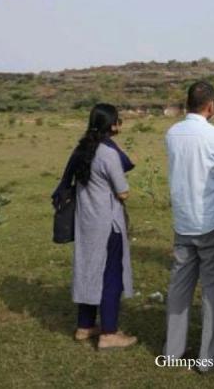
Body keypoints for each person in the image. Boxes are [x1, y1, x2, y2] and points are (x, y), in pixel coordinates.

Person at [163, 81, 214, 372]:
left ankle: (172, 351)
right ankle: (207, 357)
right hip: (212, 221)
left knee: (179, 286)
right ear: (210, 106)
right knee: (212, 289)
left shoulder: (172, 133)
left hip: (183, 222)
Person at [58, 103, 137, 349]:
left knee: (88, 270)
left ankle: (85, 326)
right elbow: (122, 192)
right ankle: (109, 333)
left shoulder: (82, 149)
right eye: (118, 120)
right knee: (110, 276)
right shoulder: (108, 153)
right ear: (112, 124)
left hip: (86, 222)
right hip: (108, 224)